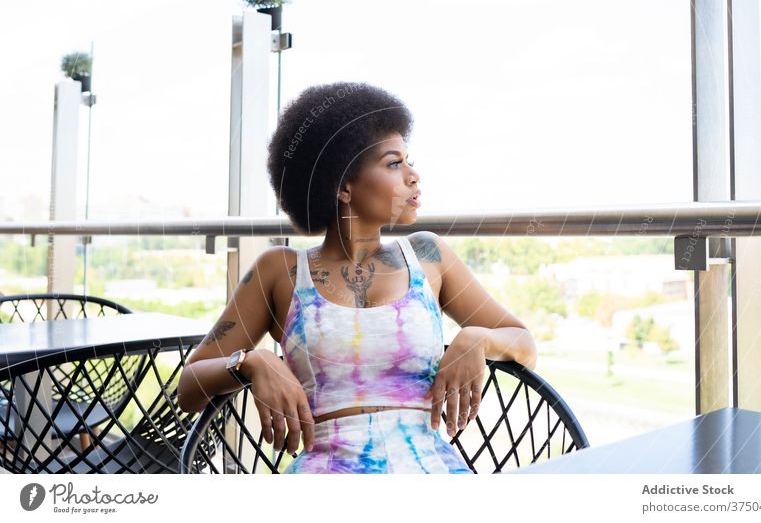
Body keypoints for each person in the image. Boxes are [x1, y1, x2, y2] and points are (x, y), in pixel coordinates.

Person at [177, 81, 538, 473]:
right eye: (394, 163)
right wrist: (252, 361)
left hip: (428, 469)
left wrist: (476, 339)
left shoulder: (428, 255)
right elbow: (189, 389)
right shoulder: (280, 271)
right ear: (344, 186)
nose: (414, 176)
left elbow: (523, 343)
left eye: (408, 160)